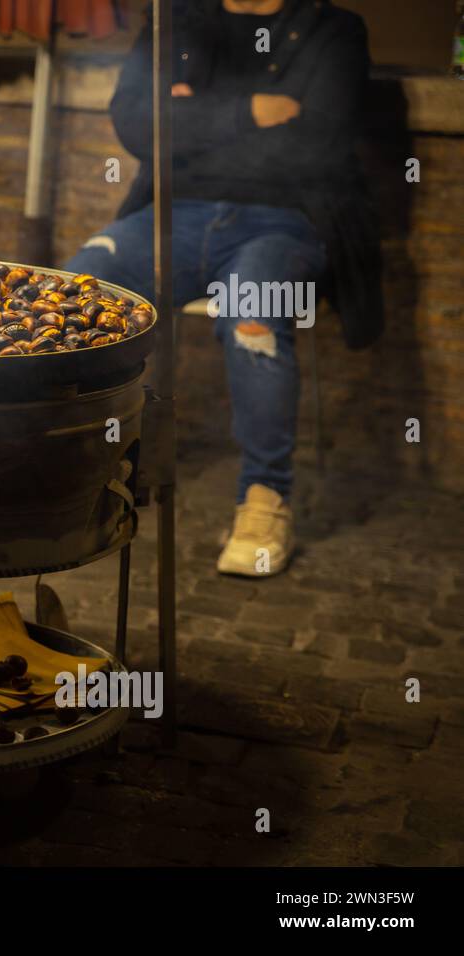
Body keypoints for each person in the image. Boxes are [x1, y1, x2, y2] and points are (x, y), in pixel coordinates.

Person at [63, 0, 381, 577]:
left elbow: (318, 145)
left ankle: (265, 499)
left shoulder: (333, 29)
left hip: (285, 217)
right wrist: (251, 110)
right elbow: (136, 122)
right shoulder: (175, 20)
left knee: (252, 311)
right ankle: (71, 475)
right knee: (77, 290)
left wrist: (190, 119)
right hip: (170, 214)